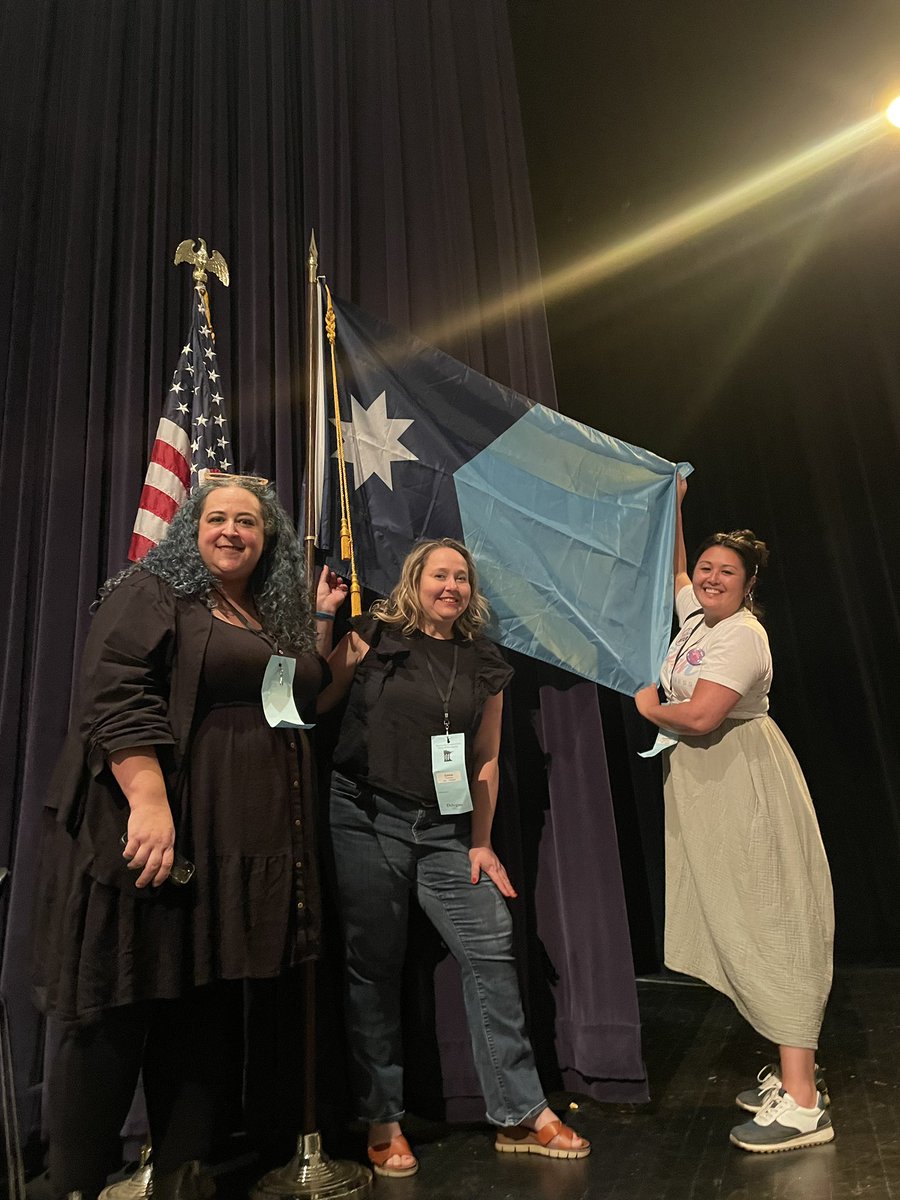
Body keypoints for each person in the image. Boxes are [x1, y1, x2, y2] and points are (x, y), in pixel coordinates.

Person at [32, 478, 345, 1200]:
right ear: (189, 529)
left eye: (249, 522)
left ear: (269, 540)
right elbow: (114, 689)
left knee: (201, 1014)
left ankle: (180, 1177)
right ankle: (76, 1184)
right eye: (218, 518)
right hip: (148, 839)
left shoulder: (264, 613)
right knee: (116, 1009)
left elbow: (294, 701)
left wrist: (324, 627)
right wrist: (148, 799)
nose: (232, 531)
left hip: (224, 852)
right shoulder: (151, 591)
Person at [317, 537, 590, 1177]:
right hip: (362, 814)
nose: (452, 586)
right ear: (414, 581)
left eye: (461, 578)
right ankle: (383, 1118)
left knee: (491, 947)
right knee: (374, 965)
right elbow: (320, 699)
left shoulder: (484, 661)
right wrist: (326, 622)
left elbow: (486, 758)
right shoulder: (373, 633)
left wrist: (481, 840)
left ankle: (520, 1111)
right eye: (440, 574)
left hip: (444, 828)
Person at [634, 478, 834, 1153]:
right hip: (707, 784)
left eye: (727, 572)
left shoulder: (742, 636)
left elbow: (700, 715)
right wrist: (675, 505)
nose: (710, 578)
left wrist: (647, 707)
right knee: (742, 918)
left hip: (743, 782)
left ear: (749, 585)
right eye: (706, 569)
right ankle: (793, 1073)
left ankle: (804, 1105)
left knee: (772, 920)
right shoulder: (699, 618)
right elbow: (674, 570)